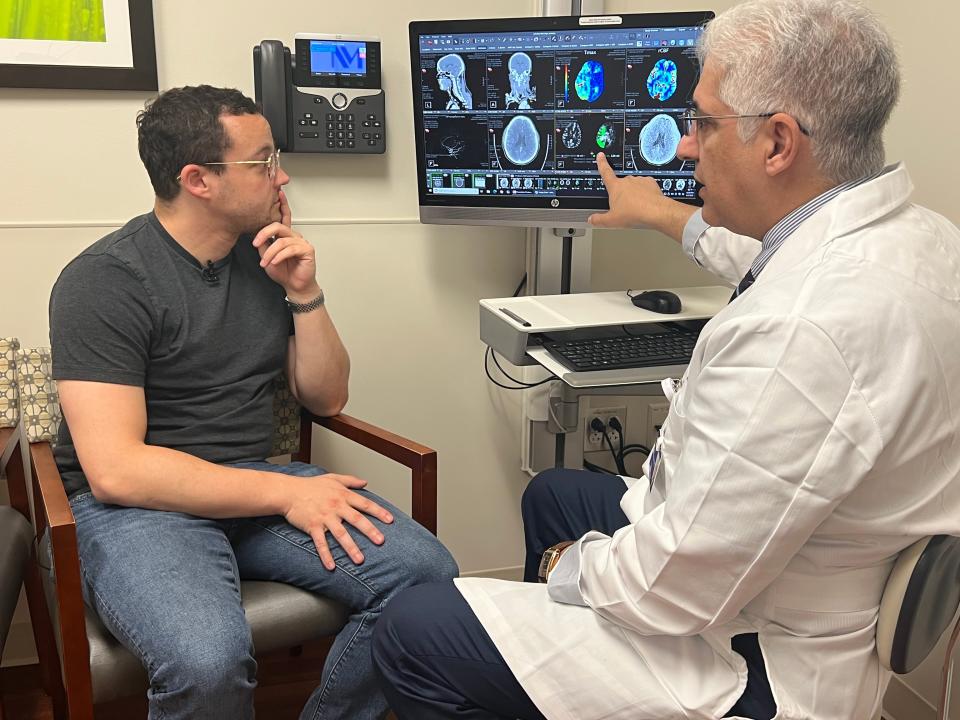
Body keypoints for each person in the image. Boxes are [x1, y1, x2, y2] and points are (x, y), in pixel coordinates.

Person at [371, 1, 960, 718]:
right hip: (803, 581)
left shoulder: (803, 331)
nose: (685, 147)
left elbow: (671, 584)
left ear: (777, 143)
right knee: (553, 494)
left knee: (414, 628)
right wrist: (652, 212)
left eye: (703, 123)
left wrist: (572, 569)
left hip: (758, 658)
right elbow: (760, 256)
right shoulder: (920, 240)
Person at [49, 85, 458, 720]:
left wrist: (304, 289)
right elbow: (117, 470)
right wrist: (290, 493)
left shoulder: (262, 257)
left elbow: (327, 395)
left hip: (250, 485)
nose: (282, 175)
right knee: (205, 664)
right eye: (263, 161)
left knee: (425, 577)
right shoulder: (105, 280)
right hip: (140, 507)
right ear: (198, 180)